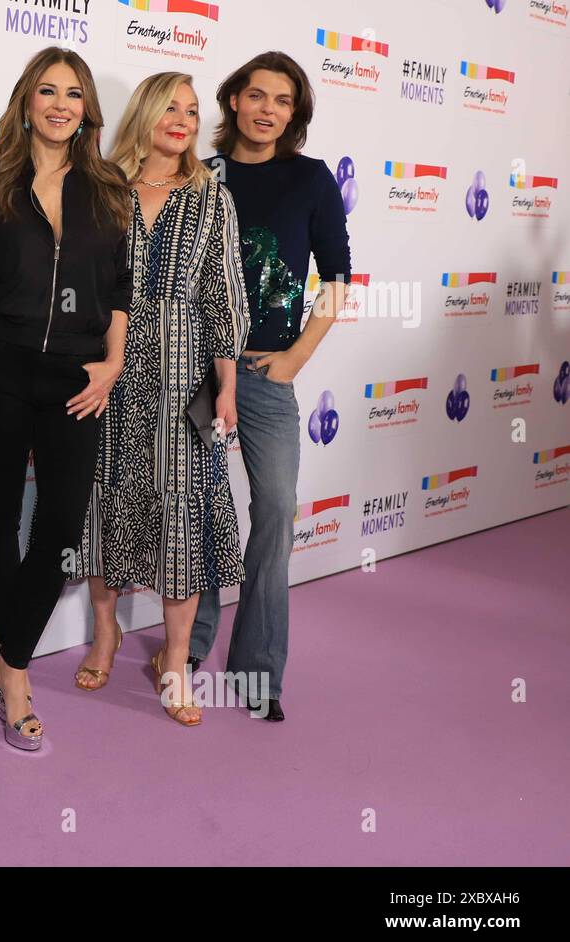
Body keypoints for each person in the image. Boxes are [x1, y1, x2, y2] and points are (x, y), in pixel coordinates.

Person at [0, 47, 131, 750]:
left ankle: (6, 656)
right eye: (48, 91)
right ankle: (17, 677)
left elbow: (118, 287)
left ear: (87, 110)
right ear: (27, 102)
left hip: (75, 379)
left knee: (57, 527)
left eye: (74, 93)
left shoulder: (106, 186)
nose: (60, 103)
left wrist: (112, 363)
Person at [71, 72, 250, 726]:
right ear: (144, 113)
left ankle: (174, 661)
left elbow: (224, 297)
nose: (181, 119)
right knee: (103, 492)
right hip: (107, 364)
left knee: (184, 511)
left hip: (188, 371)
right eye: (170, 107)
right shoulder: (101, 187)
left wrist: (226, 387)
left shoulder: (212, 198)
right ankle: (105, 632)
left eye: (192, 111)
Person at [186, 52, 350, 722]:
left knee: (276, 511)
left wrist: (295, 359)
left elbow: (337, 280)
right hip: (193, 370)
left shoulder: (310, 180)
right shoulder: (202, 175)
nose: (267, 110)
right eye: (256, 96)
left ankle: (257, 671)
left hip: (265, 373)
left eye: (282, 101)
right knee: (194, 511)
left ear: (294, 113)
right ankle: (187, 646)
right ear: (233, 102)